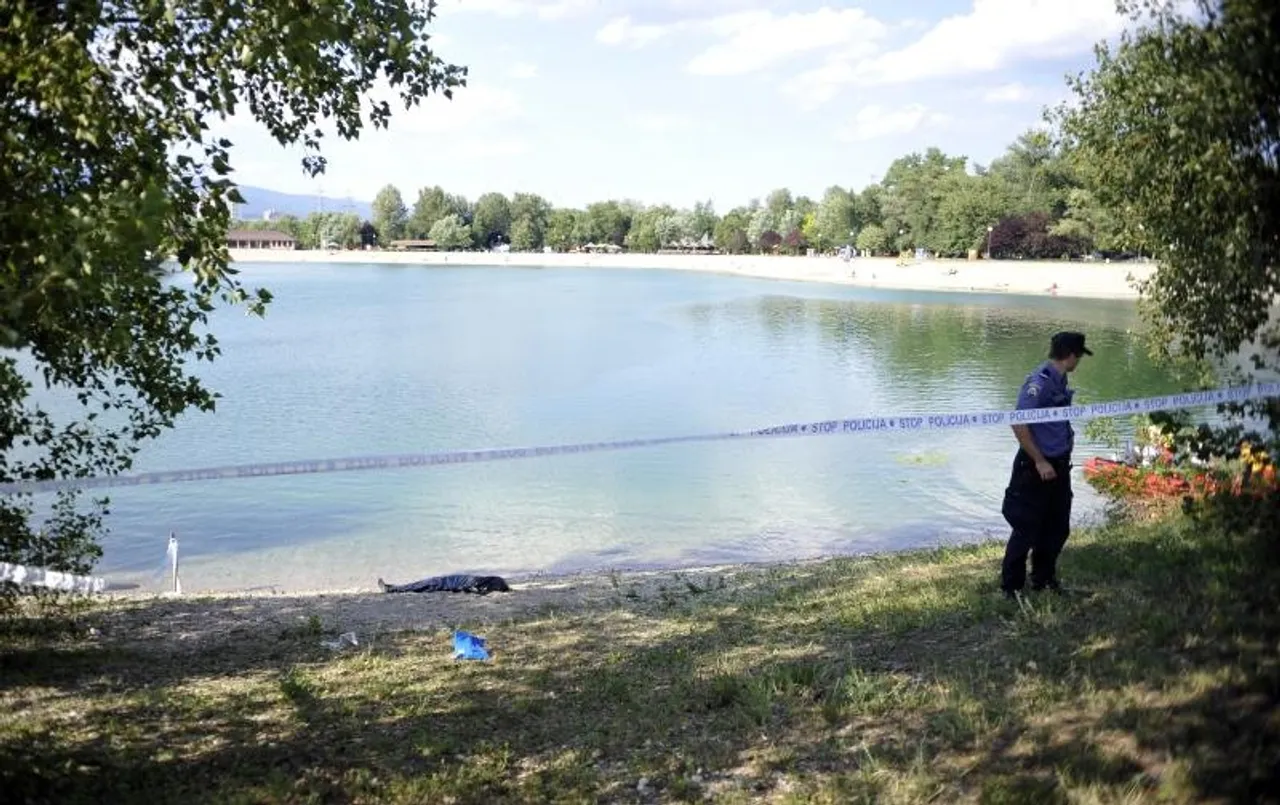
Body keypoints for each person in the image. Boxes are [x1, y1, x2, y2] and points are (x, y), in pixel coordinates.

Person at [1000, 331, 1093, 599]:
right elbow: (1019, 422)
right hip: (1036, 466)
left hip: (1059, 466)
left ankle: (1044, 580)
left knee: (1057, 526)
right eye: (1079, 356)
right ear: (1071, 355)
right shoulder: (1038, 382)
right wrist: (1039, 460)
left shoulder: (1060, 380)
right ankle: (1011, 588)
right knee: (1026, 527)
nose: (1079, 362)